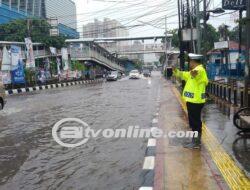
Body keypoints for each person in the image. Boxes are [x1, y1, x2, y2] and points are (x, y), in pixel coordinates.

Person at [173, 53, 208, 149]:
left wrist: (195, 73)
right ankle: (195, 141)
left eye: (190, 61)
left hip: (195, 102)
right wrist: (176, 71)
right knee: (194, 122)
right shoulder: (193, 72)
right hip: (193, 101)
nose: (189, 63)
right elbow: (184, 74)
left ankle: (196, 143)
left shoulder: (200, 70)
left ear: (193, 62)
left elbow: (200, 75)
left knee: (195, 122)